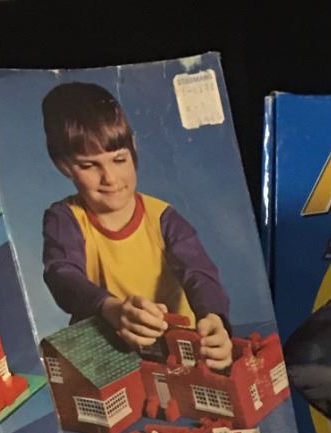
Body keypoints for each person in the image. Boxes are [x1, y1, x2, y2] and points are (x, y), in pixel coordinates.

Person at [41, 81, 233, 371]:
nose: (110, 178)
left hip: (174, 348)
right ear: (63, 165)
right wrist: (111, 308)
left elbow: (200, 273)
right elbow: (62, 275)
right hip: (107, 353)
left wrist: (214, 318)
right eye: (89, 165)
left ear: (134, 147)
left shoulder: (163, 217)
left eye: (119, 159)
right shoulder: (64, 218)